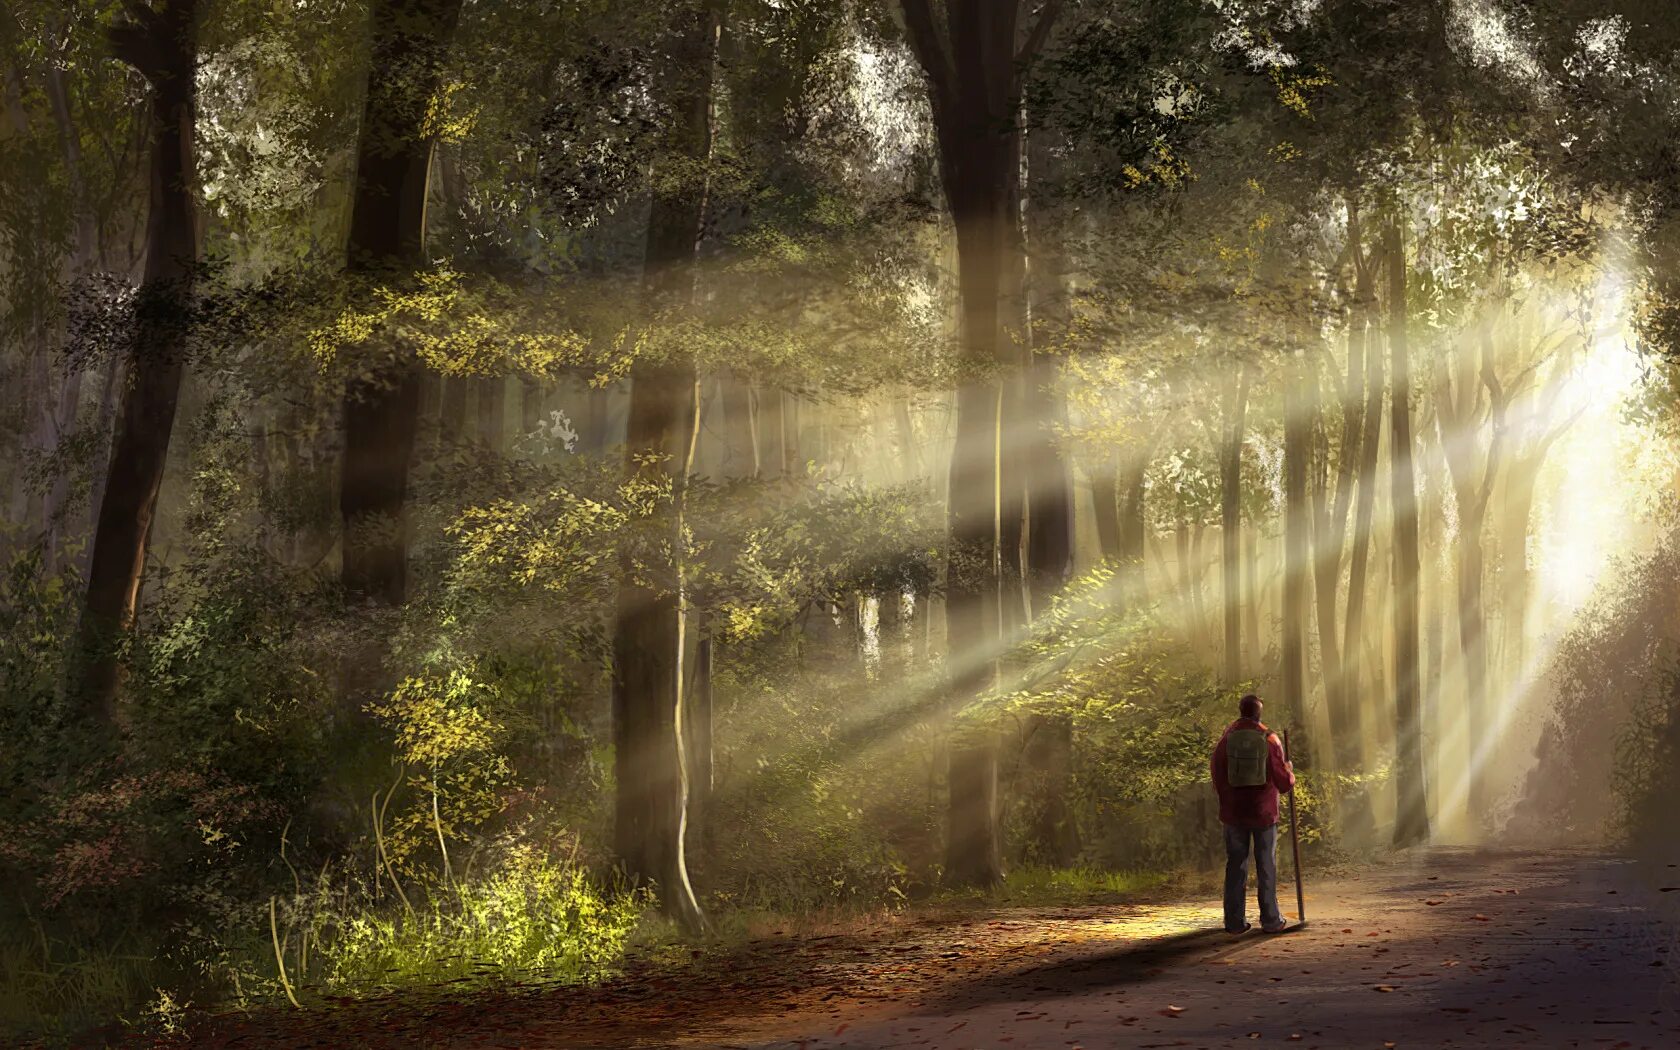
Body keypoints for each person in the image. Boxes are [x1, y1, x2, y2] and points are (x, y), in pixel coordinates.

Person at [1210, 693, 1296, 934]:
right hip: (1264, 813)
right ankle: (1270, 920)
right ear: (1259, 712)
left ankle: (1234, 922)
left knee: (1235, 864)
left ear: (1240, 710)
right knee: (1266, 864)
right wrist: (1290, 772)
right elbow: (1284, 783)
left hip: (1234, 813)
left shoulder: (1227, 738)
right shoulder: (1269, 739)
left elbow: (1216, 771)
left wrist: (1227, 797)